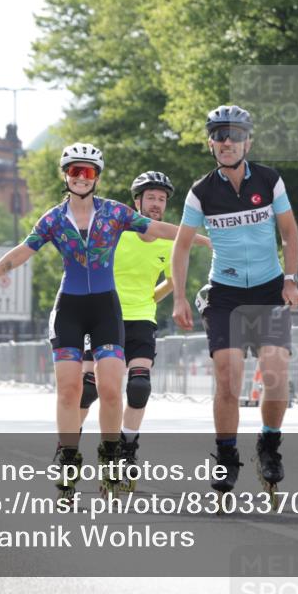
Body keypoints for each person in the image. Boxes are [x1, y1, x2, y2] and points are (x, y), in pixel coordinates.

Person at [0, 143, 208, 499]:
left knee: (113, 391)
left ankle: (111, 457)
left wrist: (209, 240)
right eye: (75, 171)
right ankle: (68, 459)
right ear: (65, 175)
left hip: (105, 310)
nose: (82, 178)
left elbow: (160, 230)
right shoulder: (52, 219)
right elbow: (20, 253)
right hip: (69, 308)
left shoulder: (114, 213)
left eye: (89, 172)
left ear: (97, 177)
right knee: (71, 391)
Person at [171, 104, 298, 498]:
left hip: (268, 289)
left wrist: (291, 280)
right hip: (225, 294)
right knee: (228, 378)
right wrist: (178, 297)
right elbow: (180, 249)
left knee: (276, 372)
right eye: (219, 135)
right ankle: (227, 456)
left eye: (234, 135)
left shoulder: (270, 180)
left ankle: (269, 445)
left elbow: (290, 234)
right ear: (210, 143)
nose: (227, 142)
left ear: (248, 141)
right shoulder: (201, 191)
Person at [79, 171, 182, 491]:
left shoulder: (169, 238)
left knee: (139, 388)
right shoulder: (117, 232)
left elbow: (175, 279)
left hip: (142, 320)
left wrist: (150, 297)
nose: (156, 204)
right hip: (103, 316)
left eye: (161, 199)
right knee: (88, 389)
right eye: (150, 197)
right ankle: (67, 448)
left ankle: (127, 449)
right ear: (137, 201)